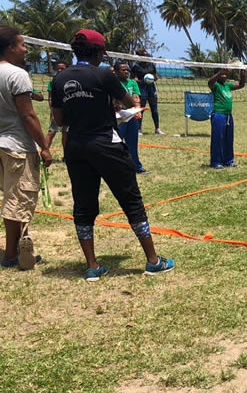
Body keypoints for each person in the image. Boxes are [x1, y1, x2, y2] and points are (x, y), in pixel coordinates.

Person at [51, 29, 174, 281]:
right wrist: (112, 106)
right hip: (105, 144)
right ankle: (153, 261)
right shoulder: (104, 75)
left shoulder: (60, 78)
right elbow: (129, 103)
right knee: (131, 200)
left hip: (75, 146)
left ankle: (92, 266)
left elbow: (59, 120)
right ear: (99, 52)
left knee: (83, 205)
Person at [0, 26, 51, 269]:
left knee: (13, 197)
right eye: (22, 45)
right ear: (11, 47)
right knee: (17, 200)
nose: (26, 49)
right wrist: (44, 146)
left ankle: (20, 247)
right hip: (17, 146)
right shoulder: (17, 74)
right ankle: (12, 255)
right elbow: (28, 115)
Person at [208, 67, 247, 169]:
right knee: (218, 139)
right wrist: (219, 73)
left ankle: (228, 161)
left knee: (229, 139)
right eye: (222, 73)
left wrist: (243, 75)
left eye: (225, 73)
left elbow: (241, 85)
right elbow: (210, 82)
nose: (224, 75)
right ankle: (216, 162)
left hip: (228, 115)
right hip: (218, 115)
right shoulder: (216, 85)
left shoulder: (228, 85)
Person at [114, 62, 146, 174]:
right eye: (123, 70)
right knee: (117, 143)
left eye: (127, 70)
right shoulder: (113, 83)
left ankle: (136, 166)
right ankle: (115, 167)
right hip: (118, 116)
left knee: (132, 143)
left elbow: (136, 97)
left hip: (131, 115)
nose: (126, 72)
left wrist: (138, 110)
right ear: (116, 72)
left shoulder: (132, 83)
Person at [131, 49, 162, 135]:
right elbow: (132, 78)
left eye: (146, 55)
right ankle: (139, 129)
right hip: (141, 88)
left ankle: (157, 129)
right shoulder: (136, 66)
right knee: (141, 109)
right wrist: (139, 80)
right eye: (143, 55)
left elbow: (155, 76)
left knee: (154, 109)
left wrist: (153, 78)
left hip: (151, 89)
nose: (145, 56)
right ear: (140, 57)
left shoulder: (151, 65)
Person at [45, 62, 68, 154]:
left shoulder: (70, 81)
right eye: (58, 68)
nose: (59, 70)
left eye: (62, 68)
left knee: (66, 133)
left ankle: (66, 155)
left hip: (67, 111)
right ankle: (45, 151)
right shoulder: (53, 81)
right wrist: (52, 112)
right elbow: (50, 99)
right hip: (57, 110)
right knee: (52, 131)